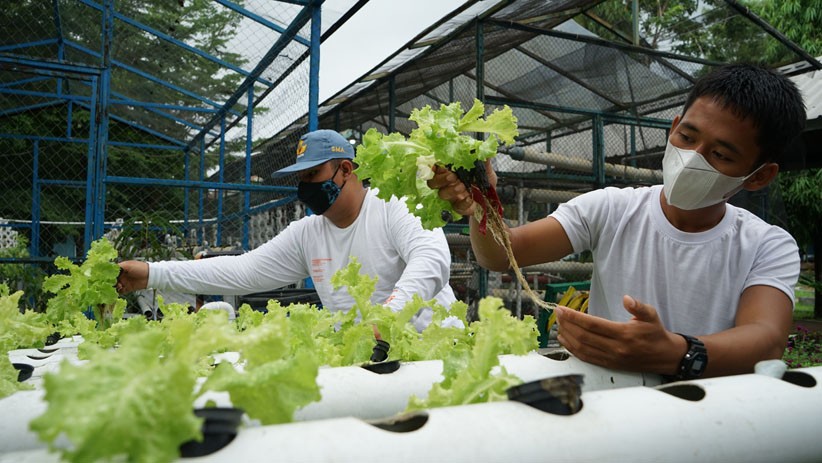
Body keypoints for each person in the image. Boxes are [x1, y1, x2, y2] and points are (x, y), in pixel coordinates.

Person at [428, 64, 806, 379]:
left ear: (759, 176)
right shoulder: (611, 208)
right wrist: (483, 203)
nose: (693, 157)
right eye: (687, 136)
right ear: (674, 126)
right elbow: (502, 254)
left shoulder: (766, 244)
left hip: (710, 420)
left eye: (721, 154)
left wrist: (675, 352)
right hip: (611, 408)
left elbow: (766, 339)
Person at [117, 129, 457, 331]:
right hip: (369, 358)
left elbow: (431, 258)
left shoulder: (393, 204)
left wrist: (387, 317)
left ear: (345, 169)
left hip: (431, 352)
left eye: (313, 174)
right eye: (301, 177)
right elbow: (244, 271)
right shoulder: (308, 234)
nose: (305, 185)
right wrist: (150, 273)